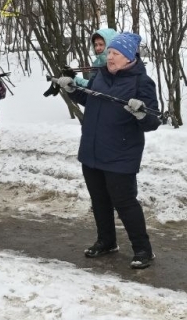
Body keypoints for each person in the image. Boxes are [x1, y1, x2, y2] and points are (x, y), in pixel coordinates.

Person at [51, 31, 162, 269]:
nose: (110, 57)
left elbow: (152, 122)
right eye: (109, 52)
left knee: (124, 202)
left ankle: (143, 249)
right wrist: (72, 89)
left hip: (121, 153)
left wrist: (141, 112)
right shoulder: (100, 75)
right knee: (99, 200)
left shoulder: (141, 82)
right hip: (92, 149)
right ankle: (107, 241)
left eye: (116, 53)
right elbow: (91, 99)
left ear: (129, 57)